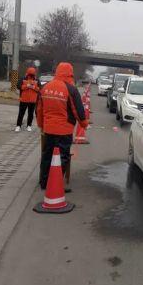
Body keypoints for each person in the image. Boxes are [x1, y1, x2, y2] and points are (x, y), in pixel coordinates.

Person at [36, 62, 88, 190]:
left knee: (47, 155)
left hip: (48, 129)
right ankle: (55, 185)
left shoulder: (45, 87)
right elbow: (78, 111)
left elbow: (39, 110)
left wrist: (41, 126)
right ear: (70, 74)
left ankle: (43, 182)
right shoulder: (71, 89)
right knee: (62, 158)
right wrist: (84, 124)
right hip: (64, 131)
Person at [15, 67, 41, 132]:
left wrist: (34, 87)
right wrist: (27, 86)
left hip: (33, 101)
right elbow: (18, 86)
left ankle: (29, 126)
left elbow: (40, 89)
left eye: (32, 75)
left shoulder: (37, 80)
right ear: (27, 73)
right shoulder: (22, 79)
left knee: (31, 114)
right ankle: (18, 126)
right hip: (23, 99)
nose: (31, 76)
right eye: (30, 74)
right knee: (21, 113)